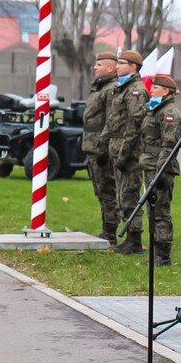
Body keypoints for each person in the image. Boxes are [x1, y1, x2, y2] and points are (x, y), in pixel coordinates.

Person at [102, 50, 149, 254]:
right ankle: (129, 238)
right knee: (121, 195)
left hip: (129, 152)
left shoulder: (135, 90)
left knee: (129, 194)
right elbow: (113, 120)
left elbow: (134, 123)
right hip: (116, 148)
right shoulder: (121, 88)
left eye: (121, 63)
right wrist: (104, 146)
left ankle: (134, 240)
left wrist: (124, 154)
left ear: (133, 67)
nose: (118, 66)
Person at [139, 74, 181, 266]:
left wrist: (160, 172)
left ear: (165, 92)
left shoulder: (170, 114)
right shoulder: (155, 110)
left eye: (155, 88)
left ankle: (163, 254)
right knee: (152, 210)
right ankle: (156, 252)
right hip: (150, 165)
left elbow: (168, 147)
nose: (151, 90)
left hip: (161, 168)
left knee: (160, 211)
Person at [82, 51, 119, 243]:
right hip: (92, 146)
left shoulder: (111, 89)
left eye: (99, 65)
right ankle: (107, 228)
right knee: (100, 189)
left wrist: (103, 148)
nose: (95, 67)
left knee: (107, 189)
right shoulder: (99, 87)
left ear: (110, 68)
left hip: (101, 147)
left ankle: (110, 231)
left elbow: (111, 121)